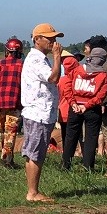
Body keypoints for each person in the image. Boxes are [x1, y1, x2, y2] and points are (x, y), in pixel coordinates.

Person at [20, 23, 64, 203]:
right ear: (37, 39)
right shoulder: (37, 59)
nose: (53, 42)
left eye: (54, 38)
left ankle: (33, 190)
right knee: (36, 153)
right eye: (49, 38)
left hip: (40, 112)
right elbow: (53, 78)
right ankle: (33, 192)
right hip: (38, 113)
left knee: (34, 152)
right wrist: (57, 57)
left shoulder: (40, 58)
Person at [62, 47, 107, 171]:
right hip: (92, 109)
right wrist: (87, 105)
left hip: (75, 107)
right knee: (91, 137)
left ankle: (66, 164)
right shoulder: (104, 75)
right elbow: (101, 95)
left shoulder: (76, 70)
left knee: (70, 136)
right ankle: (88, 166)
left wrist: (73, 103)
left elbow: (67, 87)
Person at [0, 37, 24, 168]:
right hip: (15, 104)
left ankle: (7, 158)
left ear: (7, 51)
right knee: (11, 133)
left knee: (3, 133)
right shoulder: (22, 65)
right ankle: (7, 159)